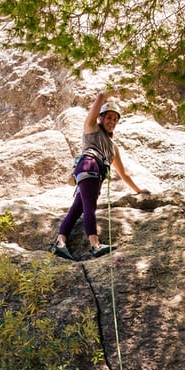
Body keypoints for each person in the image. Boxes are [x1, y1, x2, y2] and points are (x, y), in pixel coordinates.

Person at [51, 91, 149, 261]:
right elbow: (99, 100)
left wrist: (138, 190)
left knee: (76, 210)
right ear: (101, 118)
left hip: (91, 174)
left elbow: (123, 174)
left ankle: (60, 243)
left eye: (115, 119)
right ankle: (95, 245)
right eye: (108, 117)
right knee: (90, 208)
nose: (112, 121)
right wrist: (106, 95)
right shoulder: (92, 129)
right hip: (90, 167)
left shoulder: (113, 147)